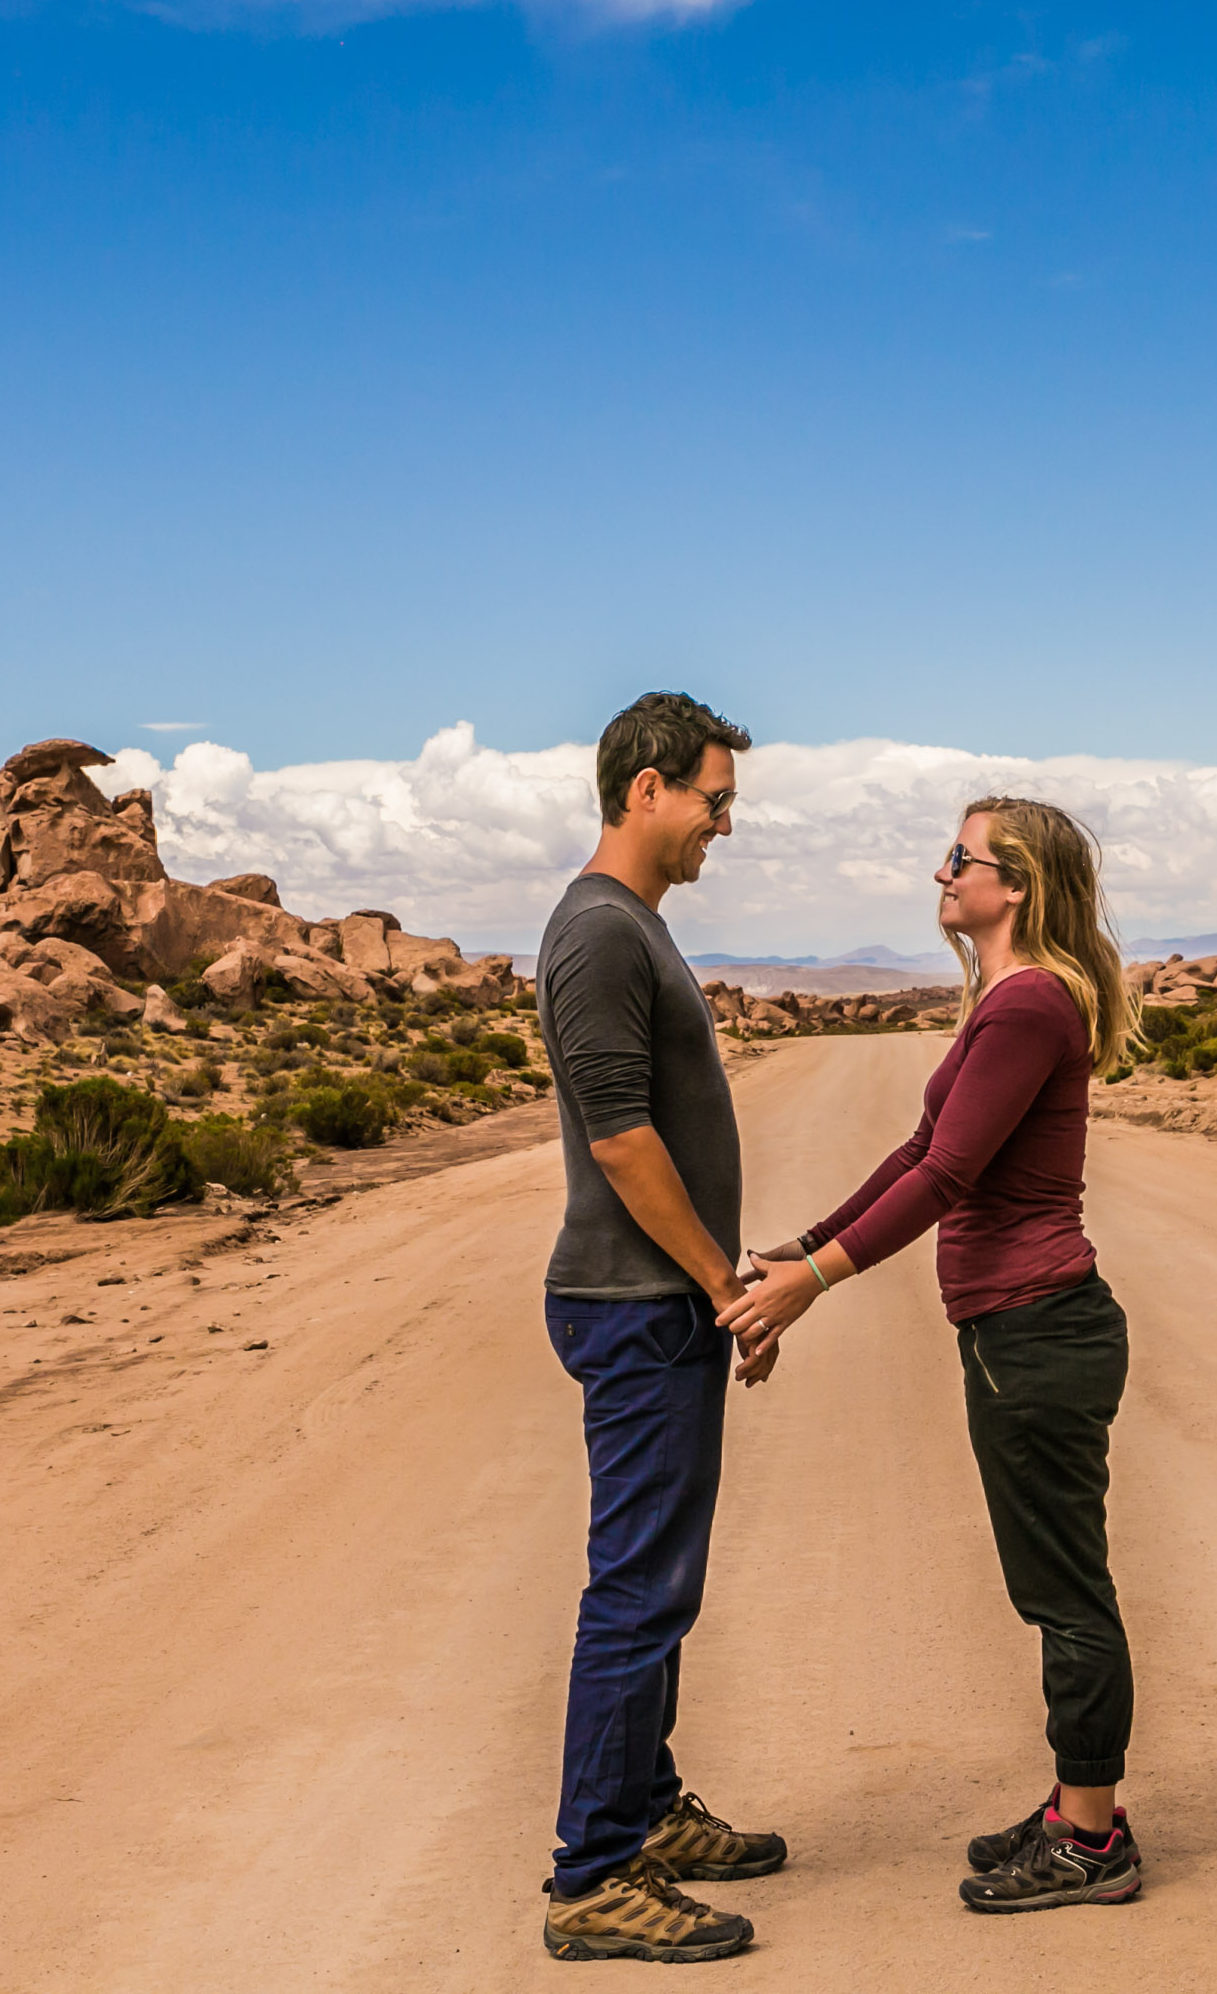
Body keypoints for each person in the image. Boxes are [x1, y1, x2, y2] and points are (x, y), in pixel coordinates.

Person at [721, 795, 1145, 1914]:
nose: (941, 872)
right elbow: (920, 1148)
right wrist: (802, 1245)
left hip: (1038, 1329)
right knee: (1051, 1580)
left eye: (962, 858)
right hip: (1025, 1327)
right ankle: (1075, 1805)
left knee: (1065, 1592)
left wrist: (813, 1284)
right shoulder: (1006, 1001)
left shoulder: (1028, 1004)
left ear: (1017, 885)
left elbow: (946, 1177)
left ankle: (1093, 1839)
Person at [534, 691, 787, 1965]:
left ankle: (646, 1808)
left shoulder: (632, 926)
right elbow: (623, 1138)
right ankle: (594, 1872)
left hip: (661, 1305)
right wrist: (723, 1283)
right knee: (636, 1586)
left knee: (664, 1580)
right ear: (647, 787)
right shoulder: (597, 933)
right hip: (635, 1309)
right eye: (713, 799)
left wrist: (716, 1278)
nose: (721, 827)